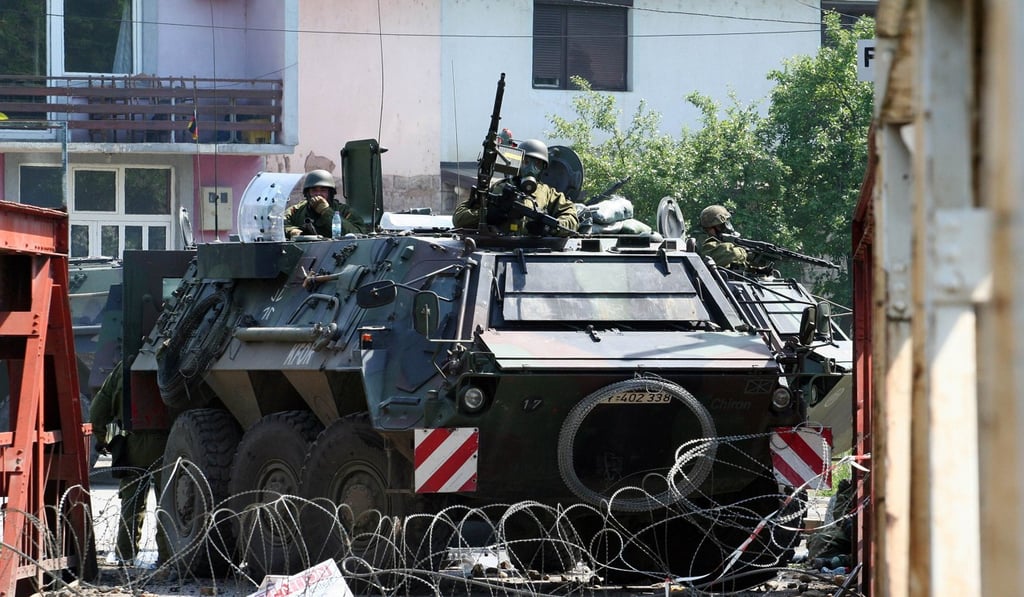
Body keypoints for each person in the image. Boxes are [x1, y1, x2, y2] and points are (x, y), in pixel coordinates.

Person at [90, 360, 171, 567]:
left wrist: (102, 440)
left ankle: (125, 556)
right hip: (168, 443)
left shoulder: (125, 366)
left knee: (131, 502)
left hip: (133, 443)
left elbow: (98, 410)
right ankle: (167, 557)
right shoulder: (175, 359)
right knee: (168, 503)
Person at [452, 139, 578, 236]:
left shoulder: (549, 194)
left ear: (543, 169)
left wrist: (549, 227)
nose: (530, 169)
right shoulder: (497, 188)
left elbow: (571, 218)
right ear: (518, 163)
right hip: (499, 249)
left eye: (537, 164)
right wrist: (488, 214)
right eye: (526, 162)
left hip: (534, 253)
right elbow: (459, 218)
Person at [284, 169, 366, 239]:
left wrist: (326, 212)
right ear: (307, 193)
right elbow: (276, 225)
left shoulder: (346, 212)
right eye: (314, 190)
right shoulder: (296, 211)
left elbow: (358, 234)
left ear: (330, 193)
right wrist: (293, 231)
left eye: (323, 190)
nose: (318, 194)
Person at [697, 204, 771, 271]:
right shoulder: (708, 245)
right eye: (725, 224)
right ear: (716, 227)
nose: (729, 227)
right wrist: (747, 253)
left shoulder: (723, 243)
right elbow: (731, 254)